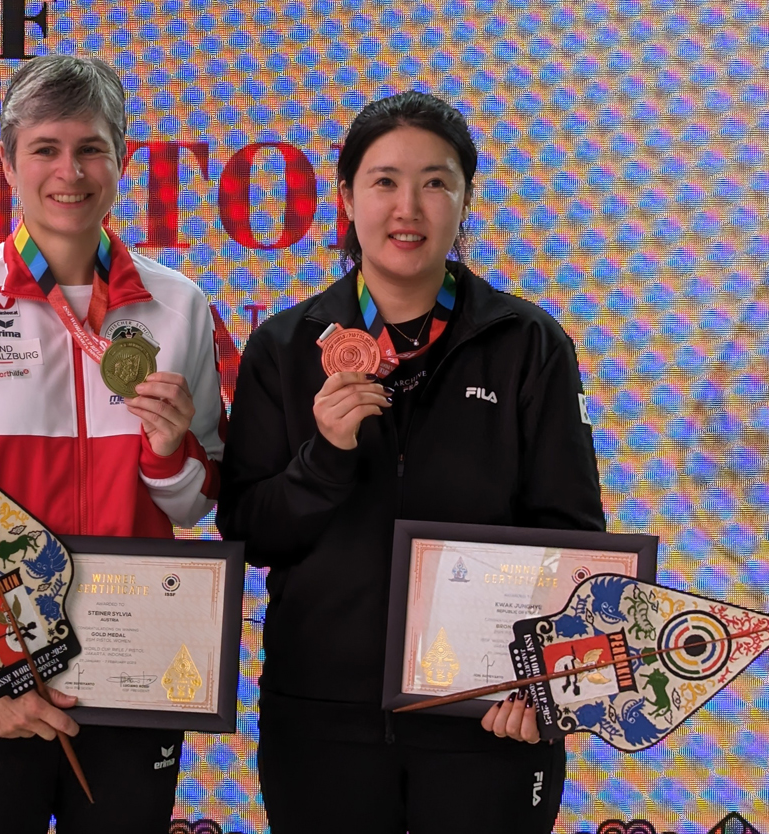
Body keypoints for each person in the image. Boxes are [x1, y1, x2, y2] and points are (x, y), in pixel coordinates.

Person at [218, 90, 605, 833]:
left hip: (486, 722)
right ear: (346, 197)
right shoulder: (286, 346)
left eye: (436, 182)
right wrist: (323, 458)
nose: (410, 207)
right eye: (385, 181)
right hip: (321, 725)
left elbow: (573, 538)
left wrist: (544, 684)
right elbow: (250, 532)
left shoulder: (528, 343)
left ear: (465, 199)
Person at [0, 55, 225, 833]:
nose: (71, 171)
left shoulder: (178, 307)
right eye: (46, 148)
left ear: (124, 159)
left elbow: (201, 500)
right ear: (5, 162)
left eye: (92, 148)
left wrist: (169, 453)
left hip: (132, 671)